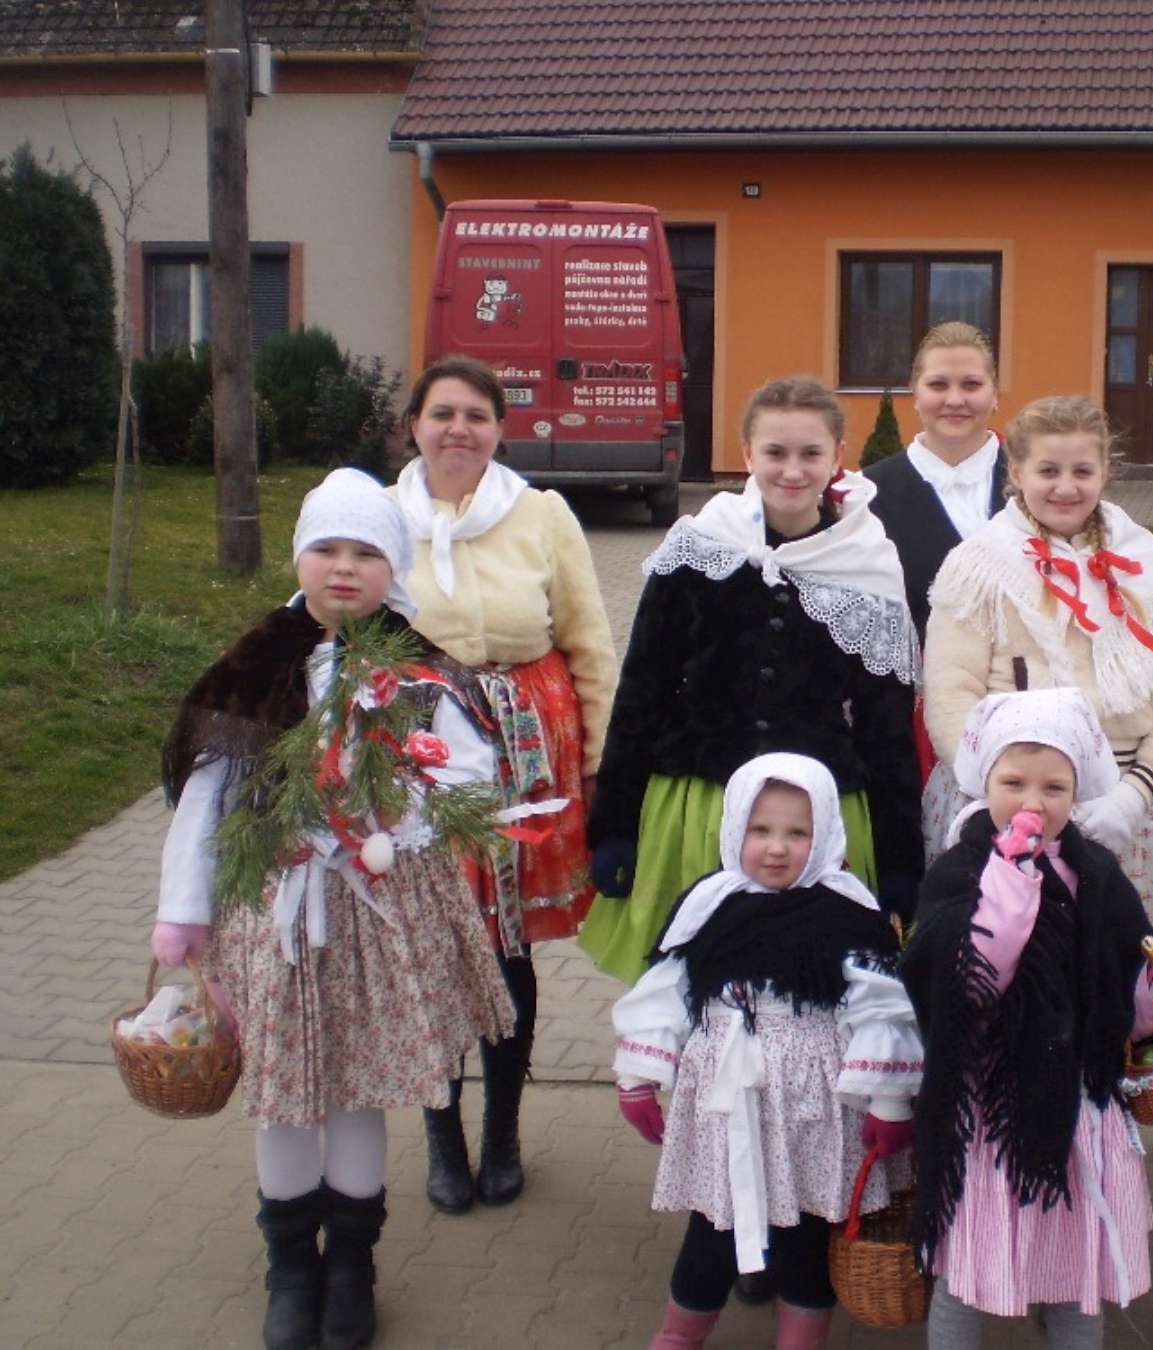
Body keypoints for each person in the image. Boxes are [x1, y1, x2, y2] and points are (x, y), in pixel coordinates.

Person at [152, 469, 516, 1350]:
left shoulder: (420, 670)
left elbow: (471, 774)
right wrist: (183, 911)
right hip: (275, 910)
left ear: (394, 568)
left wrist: (392, 817)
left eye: (365, 553)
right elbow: (207, 800)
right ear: (299, 559)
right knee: (285, 1098)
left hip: (375, 912)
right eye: (327, 549)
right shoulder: (254, 666)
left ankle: (352, 1262)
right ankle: (290, 1266)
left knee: (357, 1089)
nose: (344, 568)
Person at [580, 375, 924, 988]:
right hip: (698, 808)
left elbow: (886, 727)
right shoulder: (697, 549)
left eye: (811, 453)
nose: (792, 470)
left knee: (811, 988)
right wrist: (614, 827)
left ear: (838, 457)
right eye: (775, 452)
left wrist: (901, 862)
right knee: (691, 985)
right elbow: (641, 694)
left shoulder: (865, 561)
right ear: (746, 454)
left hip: (819, 820)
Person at [392, 354, 619, 1215]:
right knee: (432, 946)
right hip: (418, 756)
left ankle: (504, 1133)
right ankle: (441, 1135)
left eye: (476, 416)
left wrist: (600, 763)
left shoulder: (540, 514)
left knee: (505, 947)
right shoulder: (381, 516)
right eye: (443, 413)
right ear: (414, 426)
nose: (459, 429)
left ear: (499, 429)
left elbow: (590, 641)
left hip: (527, 755)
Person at [901, 688, 1153, 1348]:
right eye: (1014, 783)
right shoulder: (961, 869)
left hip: (1077, 1108)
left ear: (1077, 791)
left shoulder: (1097, 875)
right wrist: (1010, 876)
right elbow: (969, 981)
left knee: (1075, 1270)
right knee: (964, 1275)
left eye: (1054, 787)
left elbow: (1119, 1006)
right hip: (986, 1113)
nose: (1033, 801)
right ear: (985, 782)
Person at [611, 754, 923, 1350]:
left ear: (825, 834)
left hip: (813, 1110)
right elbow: (665, 991)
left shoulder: (848, 913)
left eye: (797, 833)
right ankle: (680, 1334)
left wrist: (889, 1100)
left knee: (808, 1233)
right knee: (712, 1227)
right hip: (726, 1102)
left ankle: (799, 1338)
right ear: (734, 828)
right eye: (760, 830)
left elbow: (881, 1008)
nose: (776, 848)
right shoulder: (708, 905)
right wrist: (639, 1074)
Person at [922, 394, 1153, 942]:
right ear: (1017, 472)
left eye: (1082, 471)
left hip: (1129, 804)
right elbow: (951, 693)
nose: (1066, 487)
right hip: (1007, 801)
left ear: (1104, 472)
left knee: (1125, 966)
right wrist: (1004, 799)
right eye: (1048, 471)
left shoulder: (1150, 562)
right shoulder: (980, 566)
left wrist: (1136, 793)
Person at [864, 322, 1009, 636]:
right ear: (915, 392)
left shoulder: (1036, 483)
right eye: (938, 385)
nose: (955, 400)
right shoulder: (869, 494)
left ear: (994, 394)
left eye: (971, 384)